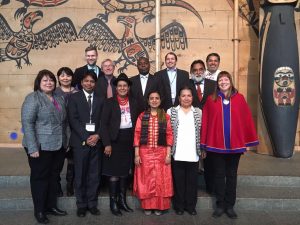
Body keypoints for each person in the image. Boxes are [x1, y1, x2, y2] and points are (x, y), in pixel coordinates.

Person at [200, 71, 259, 219]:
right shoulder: (211, 99)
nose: (223, 82)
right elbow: (206, 122)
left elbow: (246, 120)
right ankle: (220, 205)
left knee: (232, 176)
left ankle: (230, 205)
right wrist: (203, 145)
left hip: (235, 147)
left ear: (231, 81)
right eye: (220, 80)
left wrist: (248, 140)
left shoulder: (239, 99)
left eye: (226, 79)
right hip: (216, 146)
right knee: (219, 176)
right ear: (217, 83)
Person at [21, 69, 68, 224]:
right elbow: (27, 124)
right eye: (45, 80)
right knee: (40, 179)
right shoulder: (33, 98)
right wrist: (33, 148)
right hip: (40, 147)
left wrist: (65, 141)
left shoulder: (59, 98)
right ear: (39, 83)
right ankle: (40, 211)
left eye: (51, 80)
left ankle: (51, 206)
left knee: (54, 177)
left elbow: (64, 122)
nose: (49, 83)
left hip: (58, 145)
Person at [101, 73, 138, 216]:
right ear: (116, 87)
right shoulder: (109, 102)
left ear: (128, 87)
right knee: (113, 173)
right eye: (120, 86)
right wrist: (107, 144)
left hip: (129, 140)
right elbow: (103, 125)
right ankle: (113, 202)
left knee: (124, 172)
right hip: (114, 141)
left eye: (125, 86)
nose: (122, 88)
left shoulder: (134, 102)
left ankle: (122, 201)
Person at [68, 71, 104, 217]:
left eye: (92, 81)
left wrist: (97, 136)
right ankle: (81, 205)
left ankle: (92, 204)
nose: (89, 83)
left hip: (96, 142)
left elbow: (103, 120)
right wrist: (86, 137)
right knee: (81, 174)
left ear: (95, 83)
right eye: (86, 81)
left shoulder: (101, 99)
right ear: (82, 82)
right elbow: (73, 119)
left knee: (94, 175)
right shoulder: (74, 98)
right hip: (80, 142)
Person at [133, 91, 173, 216]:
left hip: (161, 153)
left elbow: (169, 135)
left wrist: (168, 154)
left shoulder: (165, 116)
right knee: (147, 181)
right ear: (148, 101)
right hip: (145, 153)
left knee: (161, 180)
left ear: (160, 100)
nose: (154, 100)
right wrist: (137, 154)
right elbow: (137, 135)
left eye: (157, 98)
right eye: (152, 98)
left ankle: (159, 206)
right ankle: (147, 206)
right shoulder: (142, 116)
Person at [167, 86, 205, 216]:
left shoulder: (198, 112)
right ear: (179, 98)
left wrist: (203, 148)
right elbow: (167, 132)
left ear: (192, 98)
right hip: (177, 153)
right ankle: (179, 206)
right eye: (183, 96)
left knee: (192, 182)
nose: (186, 98)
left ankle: (191, 206)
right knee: (178, 181)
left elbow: (202, 132)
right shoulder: (171, 111)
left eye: (189, 95)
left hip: (193, 153)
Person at [189, 59, 217, 194]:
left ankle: (211, 188)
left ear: (204, 71)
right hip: (191, 126)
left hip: (210, 126)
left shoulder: (213, 85)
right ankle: (192, 187)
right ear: (191, 72)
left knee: (210, 159)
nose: (198, 72)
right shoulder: (186, 84)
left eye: (201, 69)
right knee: (193, 157)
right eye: (195, 70)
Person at [55, 67, 78, 197]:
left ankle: (70, 186)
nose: (65, 78)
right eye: (62, 75)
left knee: (72, 161)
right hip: (59, 132)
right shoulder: (54, 92)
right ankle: (57, 186)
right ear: (58, 78)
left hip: (74, 131)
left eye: (68, 75)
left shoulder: (77, 92)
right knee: (57, 162)